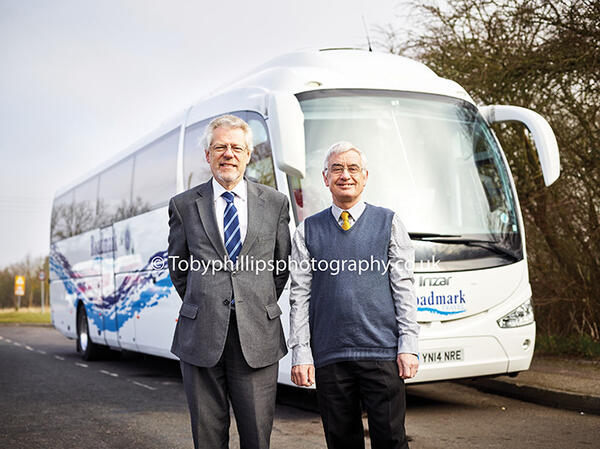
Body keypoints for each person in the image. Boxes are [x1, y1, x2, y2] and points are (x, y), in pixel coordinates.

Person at [168, 114, 291, 449]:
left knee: (256, 439)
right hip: (201, 337)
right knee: (207, 438)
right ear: (208, 155)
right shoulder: (183, 206)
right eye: (220, 147)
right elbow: (178, 268)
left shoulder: (276, 204)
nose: (229, 154)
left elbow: (281, 267)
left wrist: (254, 302)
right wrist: (205, 301)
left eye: (237, 147)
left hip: (257, 337)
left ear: (249, 154)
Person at [288, 141, 419, 449]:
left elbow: (404, 288)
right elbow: (300, 296)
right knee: (341, 442)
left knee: (391, 441)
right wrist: (301, 352)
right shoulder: (307, 230)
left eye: (352, 168)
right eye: (336, 169)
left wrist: (408, 346)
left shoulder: (389, 223)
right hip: (330, 357)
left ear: (365, 176)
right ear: (325, 178)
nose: (345, 175)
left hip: (383, 354)